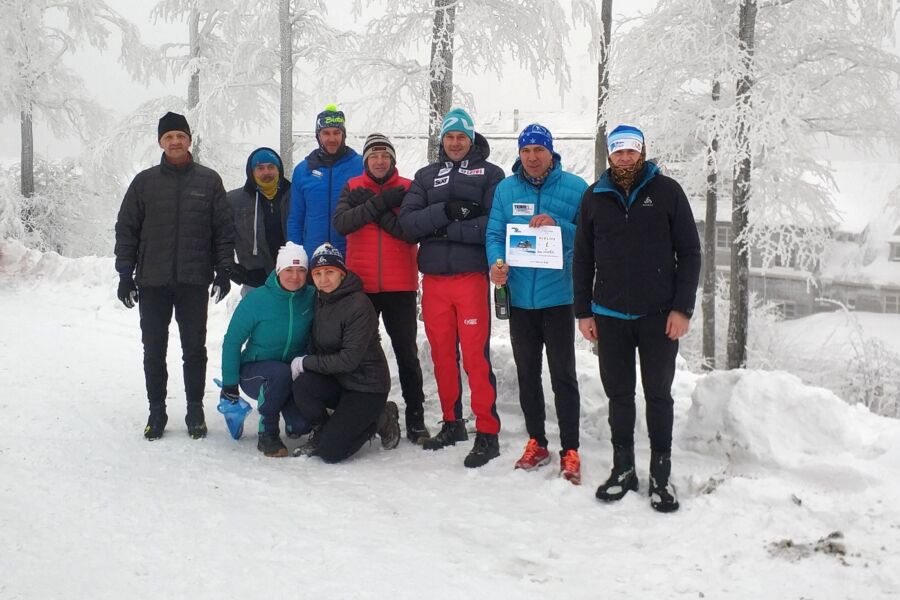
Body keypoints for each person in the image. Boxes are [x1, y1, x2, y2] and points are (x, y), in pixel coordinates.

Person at [573, 124, 701, 512]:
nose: (625, 158)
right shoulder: (595, 197)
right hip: (609, 315)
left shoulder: (667, 192)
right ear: (609, 155)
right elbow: (582, 258)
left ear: (642, 152)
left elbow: (691, 253)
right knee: (619, 395)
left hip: (659, 316)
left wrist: (682, 308)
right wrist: (583, 312)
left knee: (659, 395)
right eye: (619, 151)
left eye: (632, 151)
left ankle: (661, 477)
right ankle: (623, 469)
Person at [114, 111, 234, 441]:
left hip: (194, 281)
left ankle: (194, 409)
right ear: (161, 143)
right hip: (152, 281)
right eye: (169, 137)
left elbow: (223, 229)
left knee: (194, 349)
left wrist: (223, 269)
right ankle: (157, 411)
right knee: (153, 349)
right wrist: (125, 274)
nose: (175, 141)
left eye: (180, 135)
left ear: (189, 140)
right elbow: (126, 229)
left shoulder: (209, 181)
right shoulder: (145, 182)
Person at [399, 107, 505, 468]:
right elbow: (408, 224)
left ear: (471, 139)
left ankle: (488, 432)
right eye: (450, 136)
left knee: (475, 358)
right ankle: (452, 422)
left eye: (462, 136)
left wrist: (443, 230)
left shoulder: (492, 174)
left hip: (471, 279)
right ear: (442, 140)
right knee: (443, 355)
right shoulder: (426, 175)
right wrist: (447, 213)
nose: (456, 142)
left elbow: (494, 223)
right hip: (434, 283)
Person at [485, 123, 587, 484]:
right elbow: (495, 234)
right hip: (521, 300)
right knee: (527, 373)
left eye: (538, 150)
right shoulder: (506, 189)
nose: (531, 157)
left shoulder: (576, 188)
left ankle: (570, 449)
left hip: (558, 297)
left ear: (550, 152)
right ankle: (537, 442)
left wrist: (558, 225)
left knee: (563, 376)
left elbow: (590, 236)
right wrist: (496, 264)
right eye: (525, 151)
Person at [332, 133, 430, 444]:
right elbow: (343, 224)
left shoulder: (408, 187)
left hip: (400, 284)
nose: (379, 161)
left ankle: (416, 417)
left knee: (406, 353)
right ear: (365, 160)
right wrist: (379, 204)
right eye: (373, 156)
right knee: (358, 353)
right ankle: (363, 414)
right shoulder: (352, 186)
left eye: (384, 155)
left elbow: (408, 232)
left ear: (393, 159)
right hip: (360, 286)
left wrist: (377, 206)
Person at [290, 243, 401, 463]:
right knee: (303, 384)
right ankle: (321, 431)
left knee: (331, 453)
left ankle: (381, 417)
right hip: (340, 382)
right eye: (318, 273)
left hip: (366, 387)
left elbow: (348, 360)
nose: (324, 279)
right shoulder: (319, 298)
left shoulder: (358, 304)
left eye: (330, 272)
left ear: (342, 273)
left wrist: (306, 362)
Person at [220, 242, 315, 457]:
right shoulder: (258, 299)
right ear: (279, 270)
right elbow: (232, 341)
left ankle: (291, 420)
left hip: (291, 374)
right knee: (278, 374)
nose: (295, 276)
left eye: (301, 270)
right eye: (289, 270)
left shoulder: (311, 297)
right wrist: (230, 384)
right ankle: (267, 432)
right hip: (255, 373)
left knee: (302, 426)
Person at [286, 104, 363, 256]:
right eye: (326, 133)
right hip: (313, 255)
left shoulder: (361, 166)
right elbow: (296, 218)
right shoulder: (303, 170)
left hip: (352, 255)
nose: (332, 138)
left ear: (344, 135)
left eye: (337, 132)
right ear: (318, 135)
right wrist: (295, 254)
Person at [226, 147, 292, 295]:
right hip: (254, 281)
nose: (266, 172)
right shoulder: (234, 201)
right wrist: (229, 267)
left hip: (293, 278)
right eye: (260, 168)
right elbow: (221, 237)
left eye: (271, 167)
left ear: (279, 169)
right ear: (251, 171)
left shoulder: (295, 196)